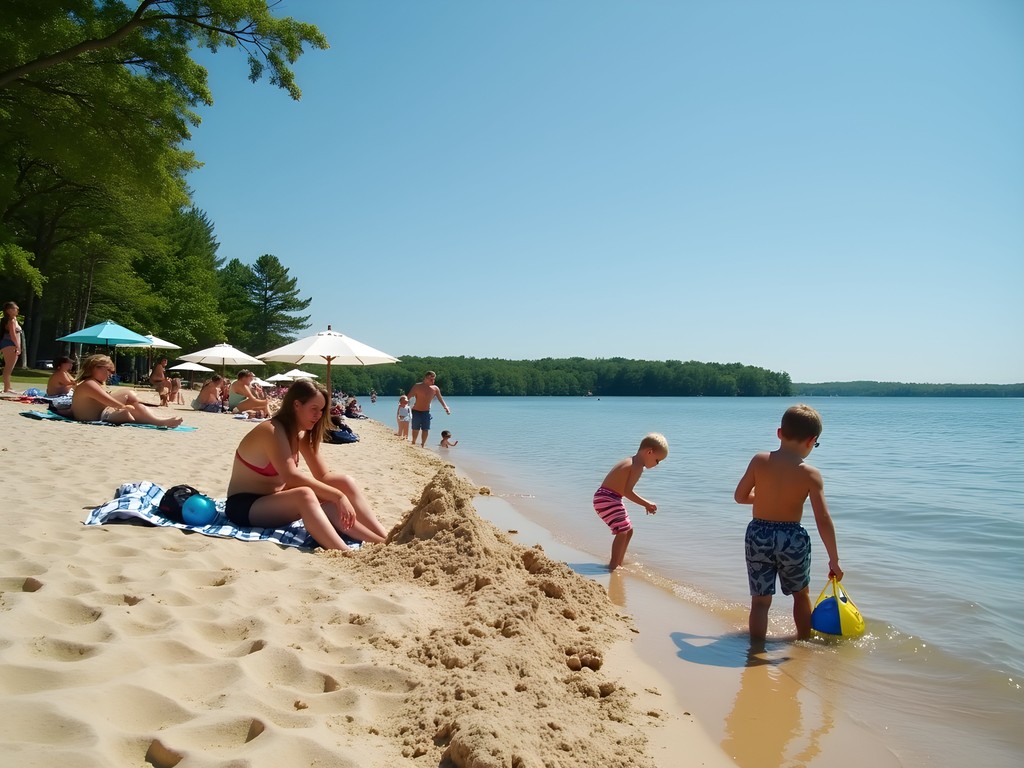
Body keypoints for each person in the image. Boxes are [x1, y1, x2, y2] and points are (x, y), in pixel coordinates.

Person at [225, 378, 388, 549]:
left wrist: (340, 493)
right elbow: (291, 476)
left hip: (274, 500)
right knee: (306, 495)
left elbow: (323, 475)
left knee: (343, 483)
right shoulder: (271, 430)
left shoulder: (300, 434)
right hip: (244, 506)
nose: (319, 415)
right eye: (314, 409)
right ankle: (344, 552)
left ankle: (383, 539)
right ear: (296, 405)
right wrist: (339, 496)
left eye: (322, 410)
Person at [733, 404, 843, 646]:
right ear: (812, 440)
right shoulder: (811, 474)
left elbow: (740, 497)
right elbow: (822, 518)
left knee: (760, 601)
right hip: (792, 538)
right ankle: (803, 646)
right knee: (800, 595)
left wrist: (762, 499)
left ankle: (756, 648)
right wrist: (834, 559)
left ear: (779, 433)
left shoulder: (760, 461)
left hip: (757, 534)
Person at [594, 433, 669, 571]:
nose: (657, 465)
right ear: (649, 452)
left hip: (606, 497)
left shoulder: (631, 460)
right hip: (607, 498)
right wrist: (646, 504)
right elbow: (628, 492)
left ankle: (619, 562)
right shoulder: (637, 467)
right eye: (657, 460)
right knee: (622, 530)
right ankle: (613, 566)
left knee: (628, 530)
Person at [71, 354, 184, 427]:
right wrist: (123, 406)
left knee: (131, 403)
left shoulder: (90, 383)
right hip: (99, 415)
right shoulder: (89, 384)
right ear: (96, 367)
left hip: (100, 413)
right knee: (128, 408)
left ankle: (159, 420)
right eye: (109, 370)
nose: (111, 374)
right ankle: (159, 421)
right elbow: (107, 400)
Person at [406, 371, 451, 446]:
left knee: (425, 429)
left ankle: (423, 444)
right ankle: (413, 442)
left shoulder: (435, 388)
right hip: (416, 411)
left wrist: (446, 407)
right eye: (431, 379)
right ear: (426, 378)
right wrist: (403, 405)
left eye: (434, 379)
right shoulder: (417, 386)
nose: (433, 381)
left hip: (426, 412)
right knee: (415, 428)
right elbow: (408, 397)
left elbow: (440, 399)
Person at [2, 301, 23, 393]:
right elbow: (13, 334)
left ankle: (8, 386)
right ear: (8, 310)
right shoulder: (12, 320)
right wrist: (18, 346)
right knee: (9, 367)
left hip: (9, 344)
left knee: (9, 367)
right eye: (14, 308)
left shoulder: (13, 319)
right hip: (10, 344)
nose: (17, 310)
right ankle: (6, 388)